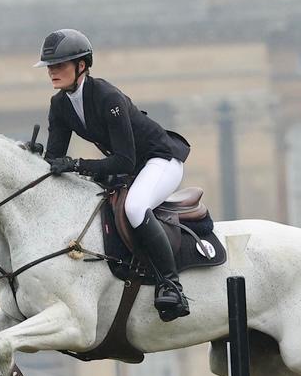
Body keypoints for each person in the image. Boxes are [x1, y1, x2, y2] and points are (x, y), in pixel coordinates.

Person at [35, 28, 192, 321]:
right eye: (50, 67)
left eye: (60, 65)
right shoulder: (59, 105)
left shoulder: (108, 97)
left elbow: (123, 159)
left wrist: (77, 165)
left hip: (160, 160)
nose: (52, 72)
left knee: (134, 207)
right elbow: (54, 160)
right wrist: (32, 157)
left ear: (81, 65)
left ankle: (171, 284)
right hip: (132, 168)